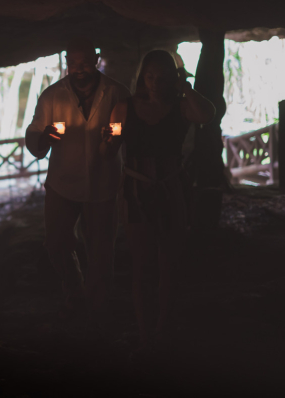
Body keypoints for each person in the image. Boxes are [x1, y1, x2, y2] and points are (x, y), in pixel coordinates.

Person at [100, 49, 215, 355]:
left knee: (169, 264)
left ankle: (163, 328)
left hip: (171, 189)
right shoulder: (124, 108)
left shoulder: (181, 108)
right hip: (136, 192)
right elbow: (108, 150)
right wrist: (106, 139)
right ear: (142, 76)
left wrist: (186, 87)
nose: (154, 82)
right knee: (142, 265)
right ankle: (144, 332)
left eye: (162, 77)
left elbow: (207, 114)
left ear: (172, 78)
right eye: (149, 75)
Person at [25, 38, 129, 321]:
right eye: (73, 63)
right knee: (57, 242)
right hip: (62, 183)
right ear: (66, 62)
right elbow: (33, 133)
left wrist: (116, 139)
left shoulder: (117, 93)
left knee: (101, 251)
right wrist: (43, 137)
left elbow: (131, 135)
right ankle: (74, 292)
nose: (78, 68)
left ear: (96, 59)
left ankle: (96, 307)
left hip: (103, 183)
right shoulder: (52, 96)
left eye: (84, 62)